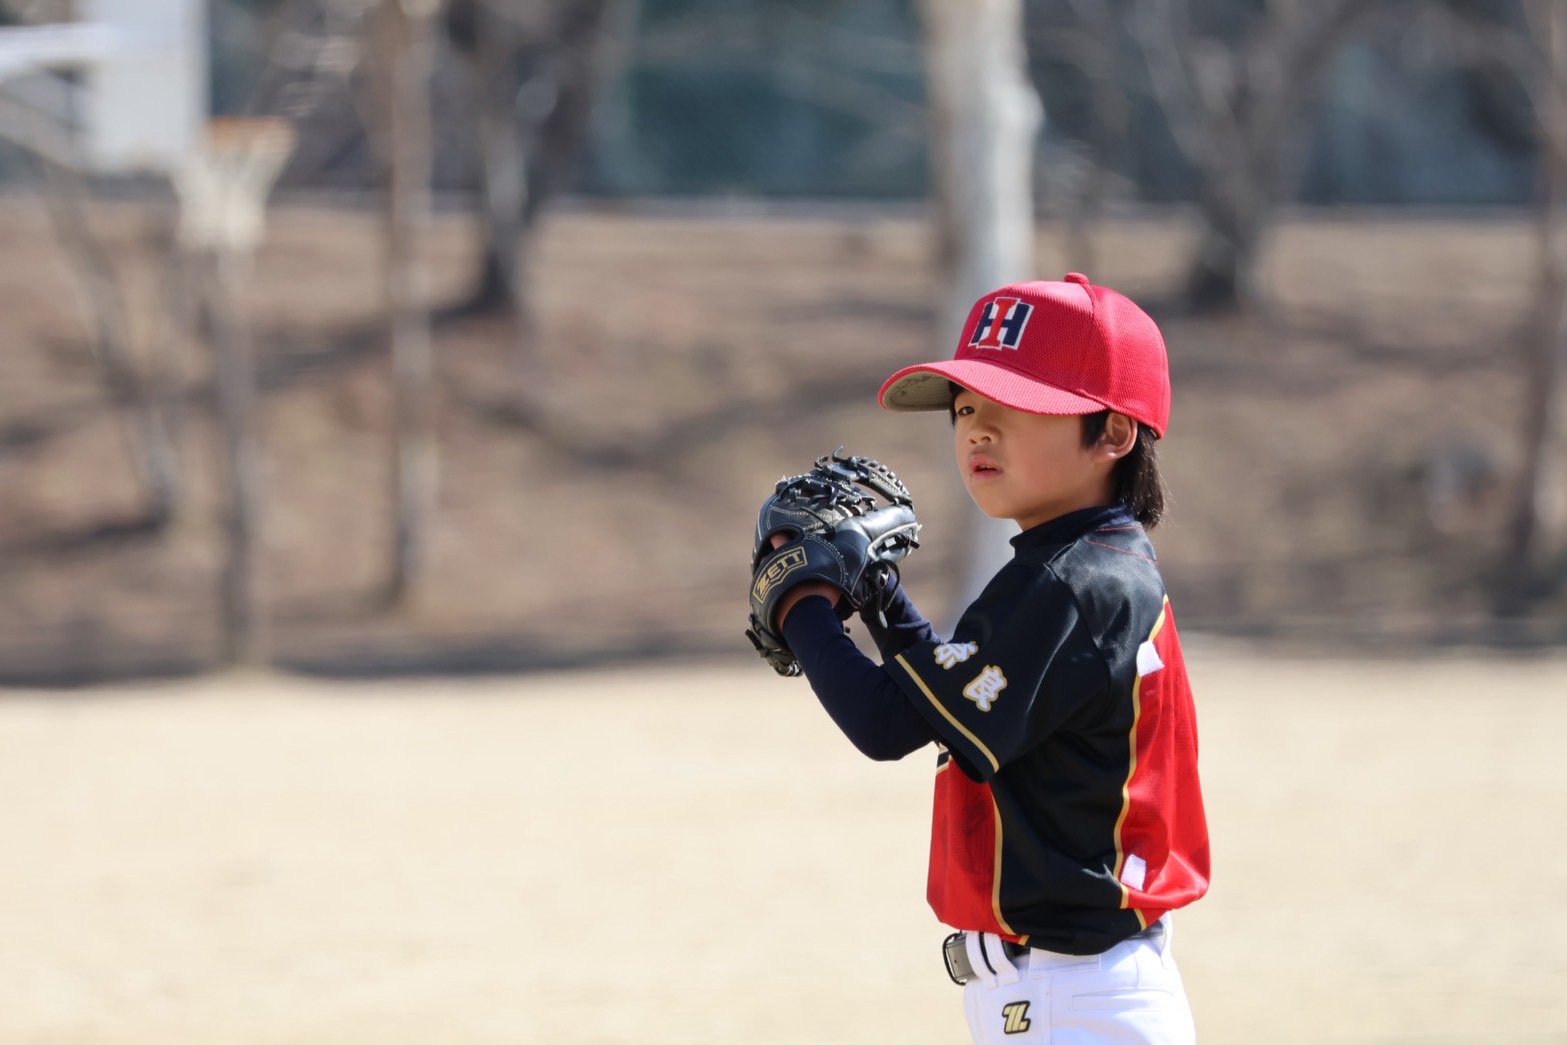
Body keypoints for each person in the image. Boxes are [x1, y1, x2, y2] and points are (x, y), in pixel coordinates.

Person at [767, 273, 1210, 1044]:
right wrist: (878, 594)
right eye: (966, 406)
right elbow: (945, 698)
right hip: (1074, 992)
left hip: (1075, 998)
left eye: (1015, 403)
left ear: (1112, 433)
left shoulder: (1069, 582)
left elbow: (885, 724)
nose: (977, 429)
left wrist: (798, 601)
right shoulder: (1086, 565)